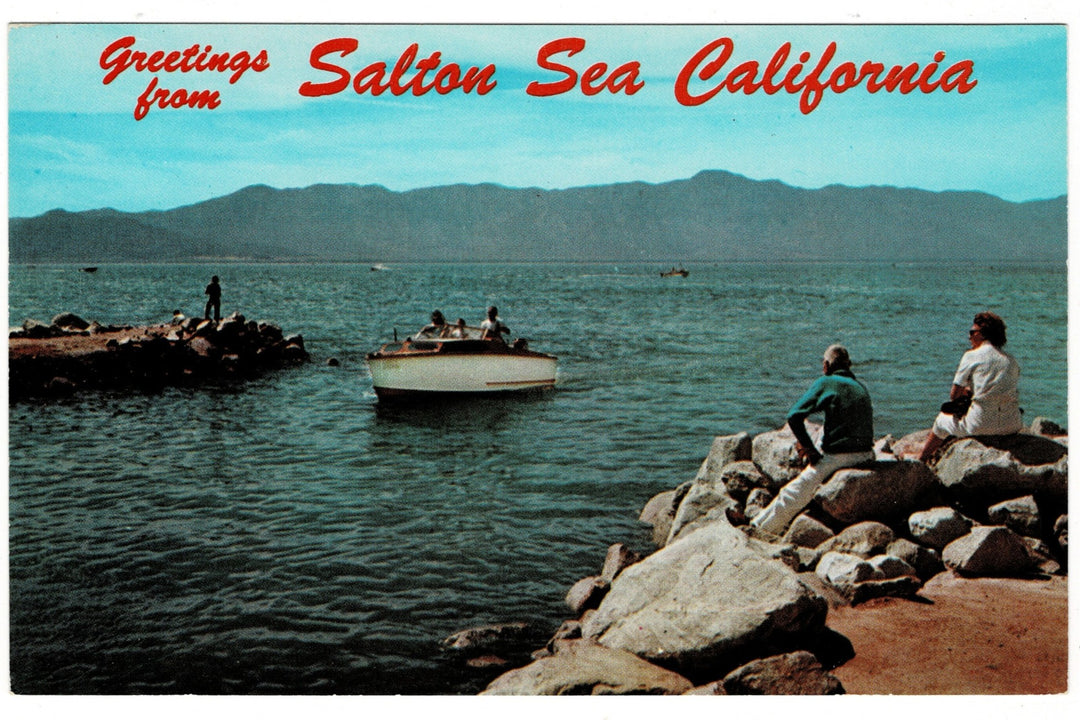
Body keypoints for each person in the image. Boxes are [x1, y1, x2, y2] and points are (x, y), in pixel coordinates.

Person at [748, 344, 875, 536]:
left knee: (794, 491)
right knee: (825, 427)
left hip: (840, 456)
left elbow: (794, 416)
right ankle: (807, 453)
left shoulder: (827, 382)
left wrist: (809, 448)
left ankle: (758, 527)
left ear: (826, 365)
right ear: (848, 365)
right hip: (866, 453)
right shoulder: (860, 387)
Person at [917, 312, 1022, 462]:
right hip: (1012, 424)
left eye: (972, 332)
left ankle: (921, 460)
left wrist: (967, 394)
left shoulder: (971, 355)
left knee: (941, 421)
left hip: (981, 425)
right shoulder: (1011, 360)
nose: (969, 336)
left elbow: (954, 395)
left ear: (983, 334)